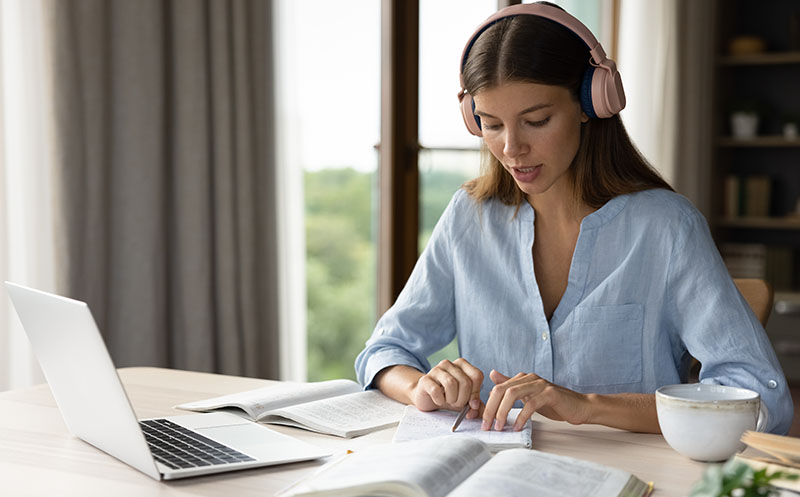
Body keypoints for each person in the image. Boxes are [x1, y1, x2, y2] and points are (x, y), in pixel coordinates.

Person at [355, 2, 793, 434]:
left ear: (591, 103)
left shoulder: (667, 228)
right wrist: (423, 387)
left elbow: (760, 397)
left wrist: (587, 406)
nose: (511, 148)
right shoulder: (468, 218)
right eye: (490, 124)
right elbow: (385, 351)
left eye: (537, 120)